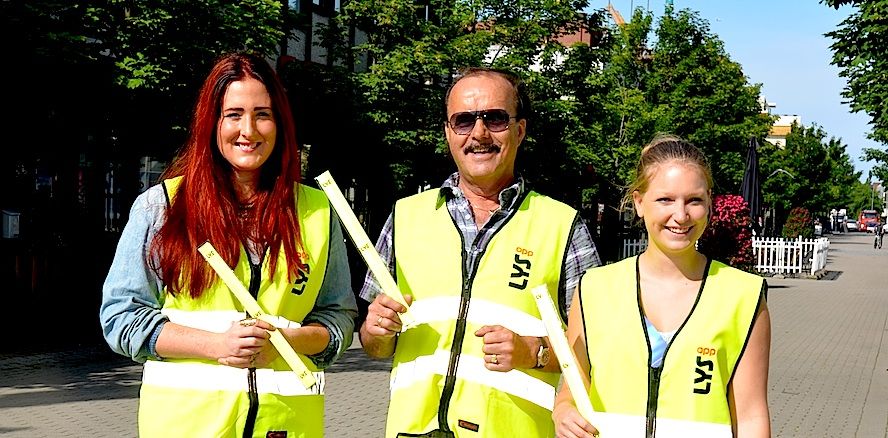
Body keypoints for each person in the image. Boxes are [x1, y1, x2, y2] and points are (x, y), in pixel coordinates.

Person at [99, 52, 357, 437]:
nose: (248, 130)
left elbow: (338, 319)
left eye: (262, 114)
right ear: (212, 123)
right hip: (187, 428)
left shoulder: (318, 211)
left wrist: (287, 342)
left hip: (286, 427)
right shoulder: (162, 207)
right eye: (233, 114)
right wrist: (216, 345)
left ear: (280, 124)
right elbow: (121, 317)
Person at [359, 67, 601, 437]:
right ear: (448, 132)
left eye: (495, 118)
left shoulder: (561, 225)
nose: (479, 133)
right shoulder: (405, 216)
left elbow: (596, 348)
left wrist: (533, 352)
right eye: (463, 120)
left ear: (520, 130)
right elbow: (375, 346)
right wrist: (376, 331)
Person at [553, 134, 771, 438]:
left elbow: (750, 417)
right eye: (665, 200)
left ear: (709, 202)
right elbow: (573, 388)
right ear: (639, 202)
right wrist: (563, 410)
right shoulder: (593, 289)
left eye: (694, 200)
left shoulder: (744, 297)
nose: (680, 216)